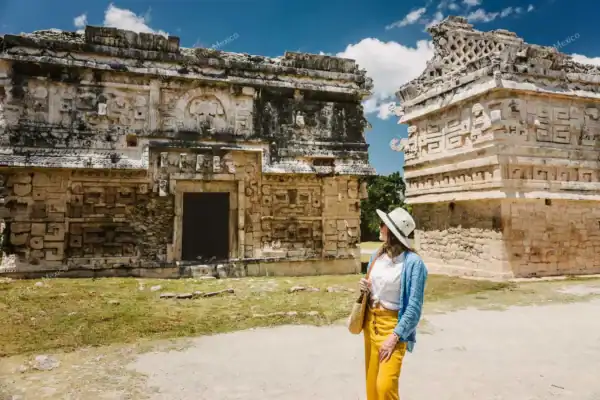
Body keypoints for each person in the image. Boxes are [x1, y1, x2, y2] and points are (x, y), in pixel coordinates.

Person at [359, 207, 428, 400]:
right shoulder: (377, 256)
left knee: (385, 387)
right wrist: (365, 286)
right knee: (372, 388)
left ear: (390, 230)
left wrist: (394, 337)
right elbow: (374, 289)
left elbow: (414, 308)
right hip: (370, 324)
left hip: (393, 329)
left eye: (383, 224)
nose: (379, 227)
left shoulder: (414, 264)